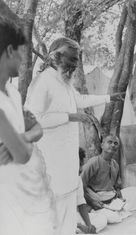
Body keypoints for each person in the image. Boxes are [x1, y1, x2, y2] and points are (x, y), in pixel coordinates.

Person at [24, 37, 124, 235]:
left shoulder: (64, 82)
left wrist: (108, 98)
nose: (75, 66)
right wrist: (69, 116)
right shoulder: (43, 82)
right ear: (55, 57)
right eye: (71, 60)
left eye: (76, 61)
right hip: (51, 168)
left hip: (67, 169)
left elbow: (80, 99)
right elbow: (32, 119)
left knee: (67, 221)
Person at [0, 17, 55, 235]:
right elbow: (22, 155)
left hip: (26, 200)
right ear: (10, 50)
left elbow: (37, 128)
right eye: (21, 51)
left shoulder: (13, 93)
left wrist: (23, 139)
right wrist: (23, 146)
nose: (24, 58)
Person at [81, 135, 136, 224]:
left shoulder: (115, 164)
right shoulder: (93, 162)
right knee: (114, 218)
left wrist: (120, 197)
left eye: (116, 143)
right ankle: (99, 211)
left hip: (112, 198)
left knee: (134, 191)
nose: (113, 145)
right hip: (97, 200)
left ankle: (114, 210)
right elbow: (80, 185)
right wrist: (92, 202)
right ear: (102, 145)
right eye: (110, 142)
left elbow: (117, 186)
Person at [77, 148, 107, 234]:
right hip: (63, 217)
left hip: (77, 215)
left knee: (102, 220)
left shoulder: (77, 178)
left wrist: (88, 225)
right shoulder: (93, 163)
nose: (81, 169)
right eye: (79, 165)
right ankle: (76, 228)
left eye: (81, 165)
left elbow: (81, 203)